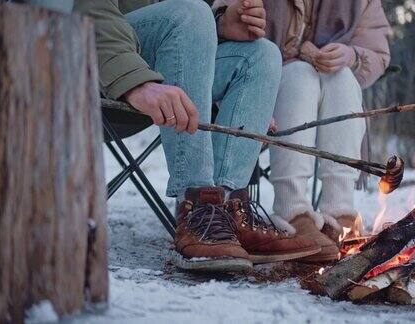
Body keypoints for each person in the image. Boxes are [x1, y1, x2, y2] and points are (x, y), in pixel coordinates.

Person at [72, 0, 321, 272]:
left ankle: (227, 211)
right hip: (85, 70)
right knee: (191, 13)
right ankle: (199, 208)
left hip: (160, 74)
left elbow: (185, 39)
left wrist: (221, 25)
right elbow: (87, 8)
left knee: (261, 54)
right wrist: (135, 80)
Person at [214, 0, 392, 262]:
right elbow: (222, 26)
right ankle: (292, 210)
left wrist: (352, 55)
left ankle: (340, 212)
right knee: (300, 75)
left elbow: (376, 50)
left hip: (327, 97)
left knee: (341, 77)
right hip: (259, 89)